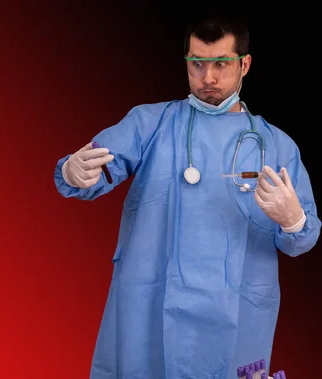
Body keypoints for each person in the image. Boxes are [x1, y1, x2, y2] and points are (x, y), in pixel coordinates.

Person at [53, 13, 321, 379]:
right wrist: (74, 171)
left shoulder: (275, 146)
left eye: (221, 64)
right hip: (151, 301)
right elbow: (97, 166)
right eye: (197, 64)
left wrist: (295, 221)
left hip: (238, 307)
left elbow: (300, 240)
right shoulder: (150, 124)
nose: (208, 77)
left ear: (245, 64)